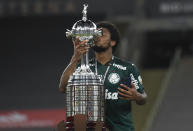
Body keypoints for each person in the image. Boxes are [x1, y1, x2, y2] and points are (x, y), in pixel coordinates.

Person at [59, 21, 147, 131]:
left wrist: (137, 96)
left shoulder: (127, 68)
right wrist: (75, 58)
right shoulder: (83, 67)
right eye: (95, 34)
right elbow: (63, 88)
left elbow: (143, 98)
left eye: (102, 34)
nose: (97, 37)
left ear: (113, 42)